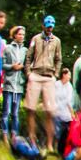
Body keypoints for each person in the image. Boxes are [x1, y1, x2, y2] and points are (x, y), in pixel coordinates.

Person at [23, 15, 63, 150]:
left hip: (49, 77)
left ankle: (50, 144)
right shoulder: (35, 39)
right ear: (43, 26)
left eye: (51, 25)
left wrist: (55, 75)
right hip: (35, 74)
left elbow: (59, 59)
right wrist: (28, 73)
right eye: (47, 25)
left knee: (50, 111)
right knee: (30, 108)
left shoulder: (57, 41)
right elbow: (28, 57)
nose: (49, 28)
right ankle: (32, 139)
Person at [1, 26, 27, 142]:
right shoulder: (7, 48)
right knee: (7, 112)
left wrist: (23, 67)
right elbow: (2, 65)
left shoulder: (26, 51)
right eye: (19, 34)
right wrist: (12, 66)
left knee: (16, 114)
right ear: (15, 35)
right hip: (9, 84)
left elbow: (28, 65)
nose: (21, 36)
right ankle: (4, 135)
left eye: (23, 34)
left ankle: (14, 136)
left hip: (19, 86)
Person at [51, 68, 75, 155]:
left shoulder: (69, 86)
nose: (70, 77)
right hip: (56, 110)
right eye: (68, 75)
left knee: (65, 130)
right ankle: (54, 146)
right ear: (64, 75)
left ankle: (63, 148)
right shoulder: (57, 84)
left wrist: (72, 113)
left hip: (65, 112)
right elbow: (52, 96)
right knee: (56, 130)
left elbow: (69, 102)